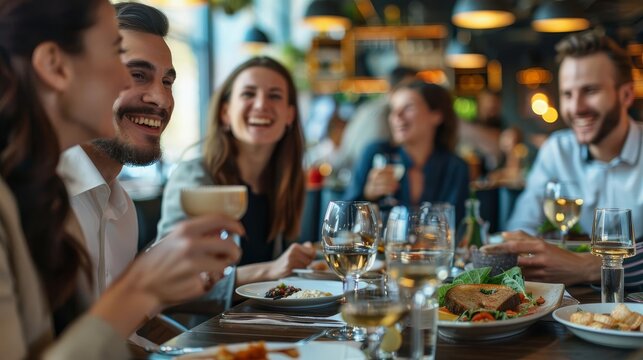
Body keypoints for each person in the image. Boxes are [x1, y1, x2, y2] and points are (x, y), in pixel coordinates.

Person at [0, 1, 241, 358]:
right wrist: (142, 287)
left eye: (168, 81)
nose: (161, 98)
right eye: (120, 60)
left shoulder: (115, 204)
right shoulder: (28, 199)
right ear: (54, 66)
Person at [157, 56, 315, 309]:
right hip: (201, 336)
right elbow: (168, 281)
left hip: (262, 328)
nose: (262, 104)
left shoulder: (284, 182)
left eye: (274, 96)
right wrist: (268, 271)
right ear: (225, 112)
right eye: (248, 94)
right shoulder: (195, 177)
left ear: (290, 115)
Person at [497, 30, 643, 288]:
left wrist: (587, 267)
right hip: (570, 309)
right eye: (567, 94)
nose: (576, 108)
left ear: (626, 95)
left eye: (590, 90)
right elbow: (523, 225)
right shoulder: (557, 149)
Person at [57, 1, 175, 297]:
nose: (161, 99)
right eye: (137, 75)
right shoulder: (39, 199)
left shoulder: (124, 210)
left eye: (167, 81)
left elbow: (113, 338)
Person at [343, 80, 470, 223]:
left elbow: (455, 227)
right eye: (393, 109)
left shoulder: (455, 167)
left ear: (436, 115)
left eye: (408, 108)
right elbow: (342, 223)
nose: (396, 116)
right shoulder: (375, 154)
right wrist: (368, 195)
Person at [332, 66, 418, 174]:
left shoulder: (369, 107)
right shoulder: (387, 112)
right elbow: (378, 156)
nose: (418, 92)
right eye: (412, 86)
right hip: (359, 178)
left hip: (349, 174)